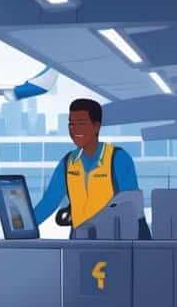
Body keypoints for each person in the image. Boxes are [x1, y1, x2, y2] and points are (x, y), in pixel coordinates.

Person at [33, 98, 140, 231]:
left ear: (96, 126)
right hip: (79, 242)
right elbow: (49, 202)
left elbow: (132, 207)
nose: (75, 129)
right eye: (71, 124)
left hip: (113, 243)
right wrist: (22, 229)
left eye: (81, 123)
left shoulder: (118, 158)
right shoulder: (68, 162)